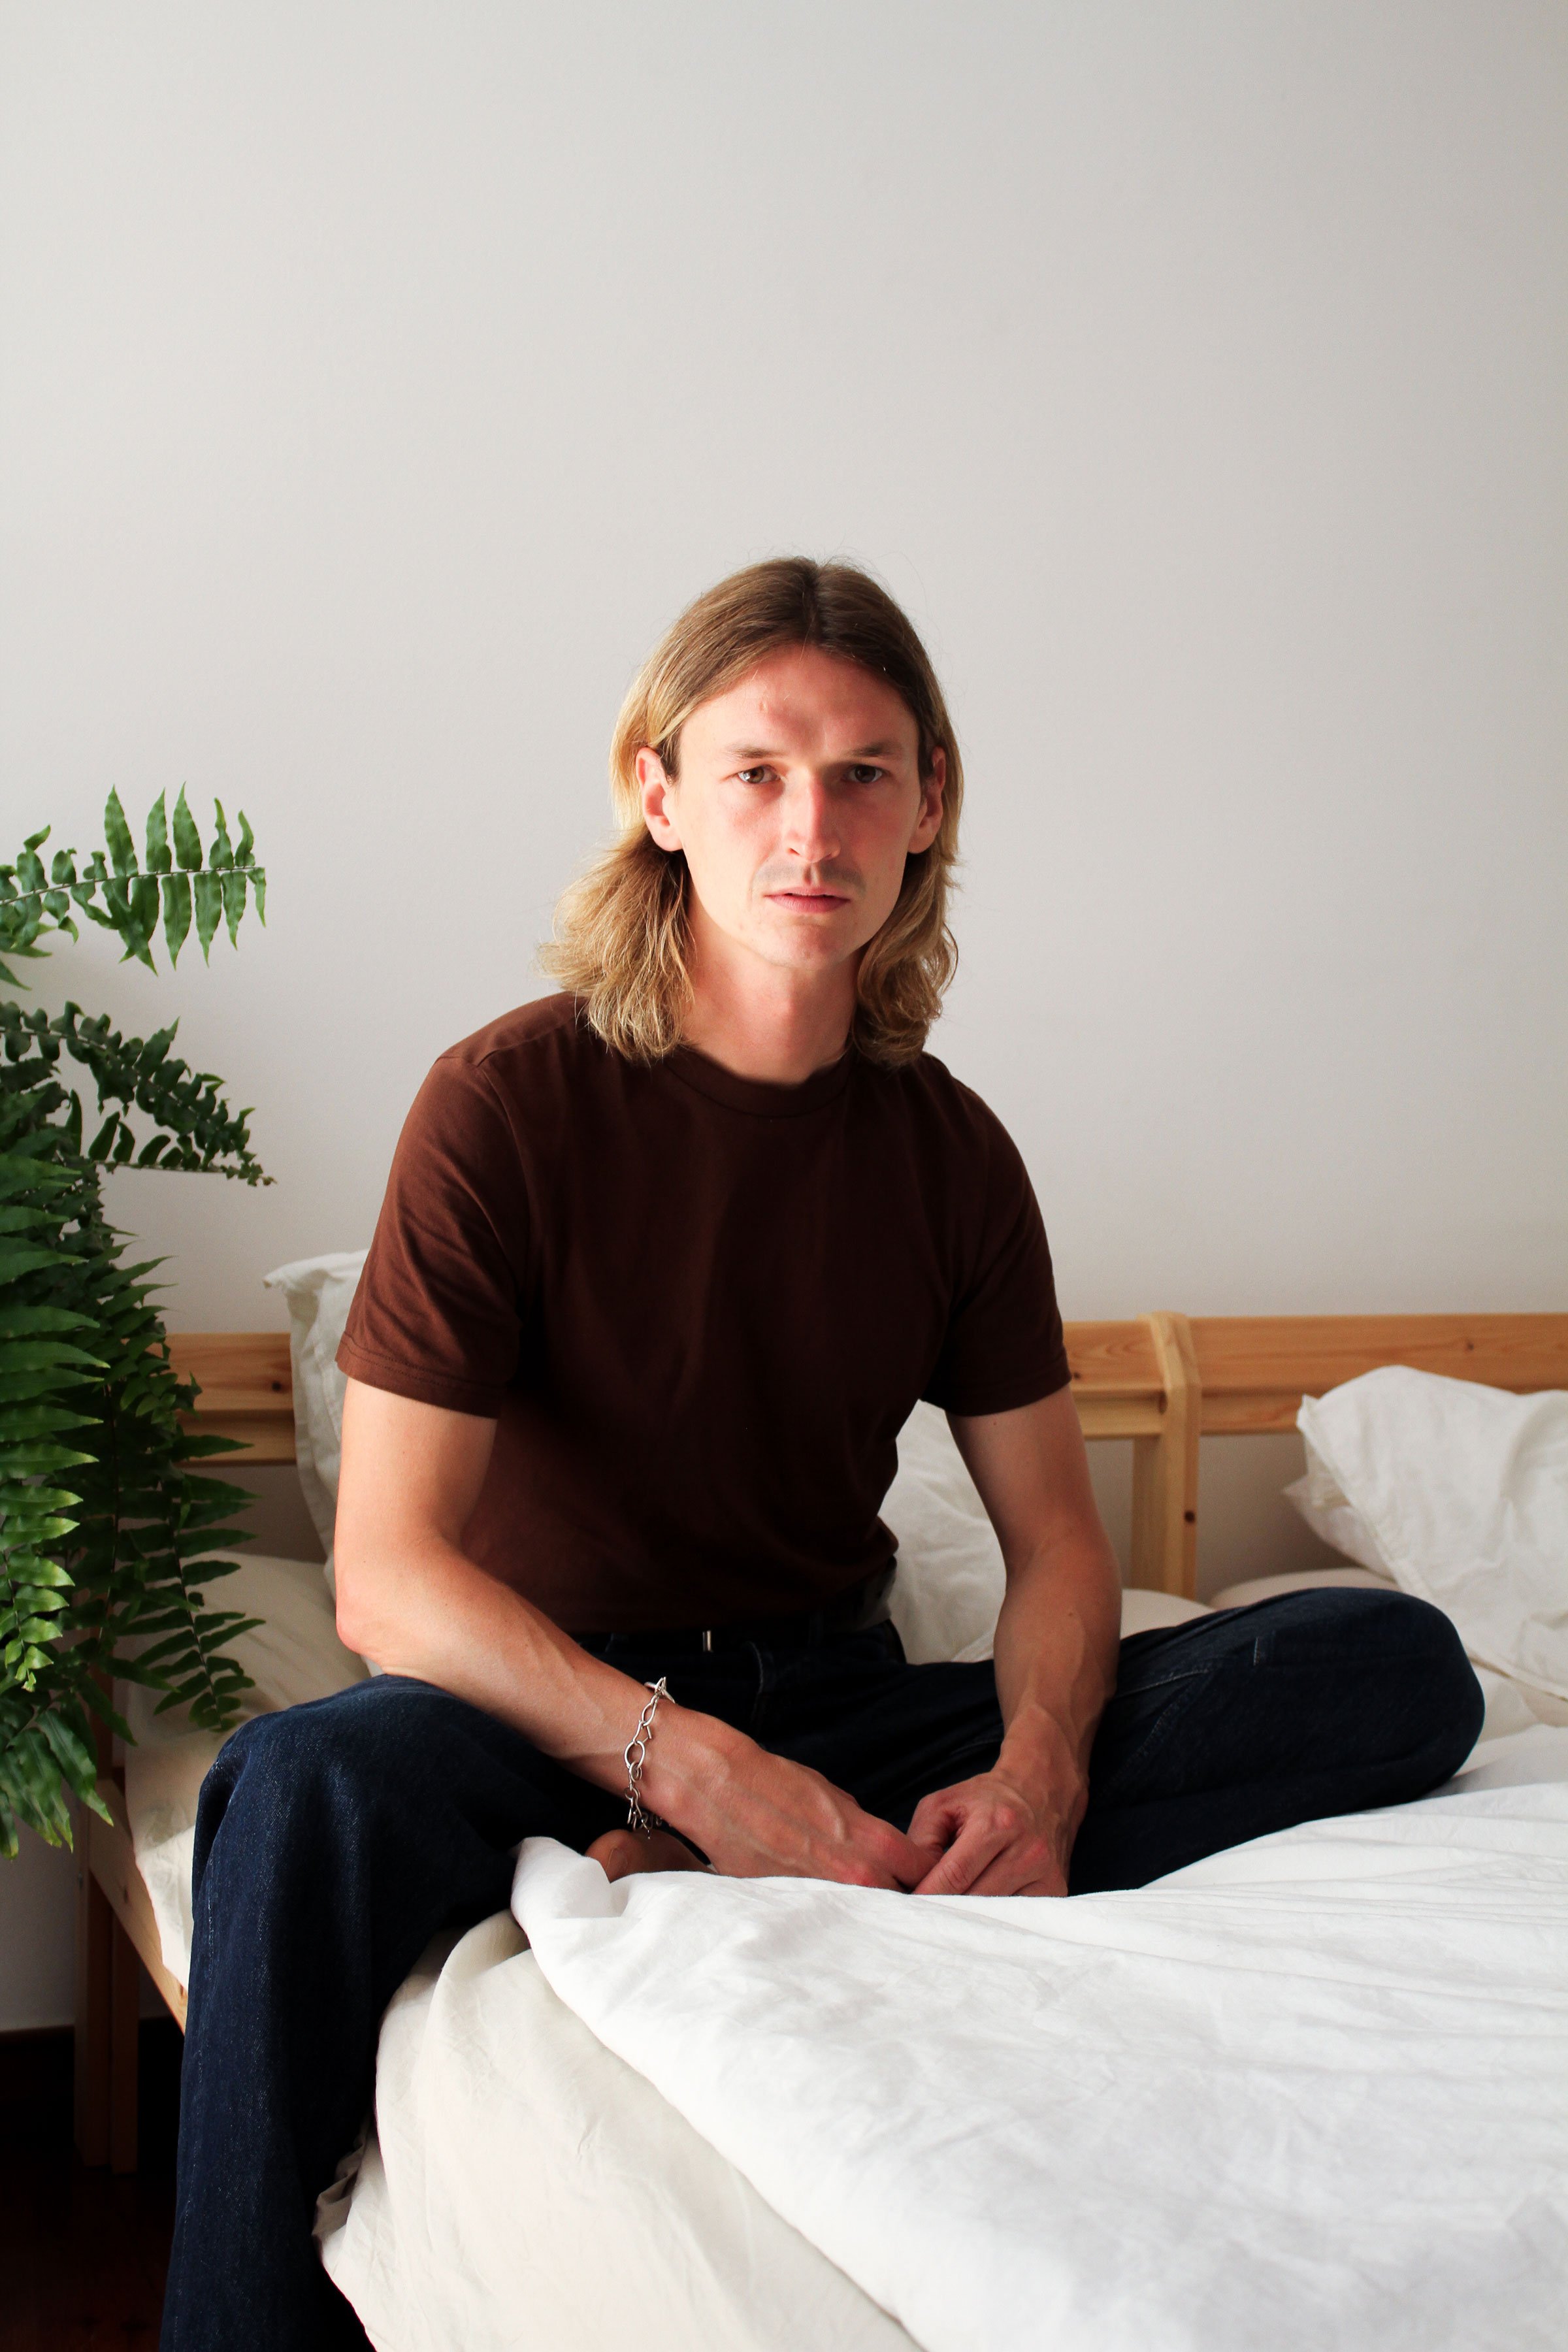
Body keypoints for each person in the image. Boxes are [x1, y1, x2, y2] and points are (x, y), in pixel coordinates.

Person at [159, 559, 1482, 2352]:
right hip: (541, 1724)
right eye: (759, 771)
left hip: (839, 1713)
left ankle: (797, 1862)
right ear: (658, 793)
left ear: (930, 803)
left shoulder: (954, 1155)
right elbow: (391, 1580)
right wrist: (695, 1773)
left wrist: (1037, 1778)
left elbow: (1057, 1544)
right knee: (298, 1785)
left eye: (866, 772)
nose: (814, 825)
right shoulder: (506, 1104)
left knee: (1391, 1663)